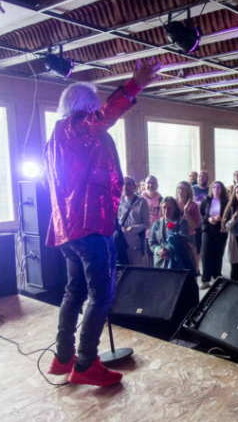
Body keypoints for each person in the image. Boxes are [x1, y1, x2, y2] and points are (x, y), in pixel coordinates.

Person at [45, 58, 160, 387]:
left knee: (74, 291)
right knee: (102, 294)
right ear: (85, 107)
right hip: (90, 224)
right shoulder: (79, 127)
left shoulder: (54, 139)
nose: (96, 109)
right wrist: (134, 84)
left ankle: (62, 356)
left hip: (66, 230)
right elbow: (105, 115)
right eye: (92, 104)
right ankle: (85, 363)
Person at [148, 197, 193, 270]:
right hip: (160, 262)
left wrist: (168, 250)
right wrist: (158, 250)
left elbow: (183, 240)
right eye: (164, 208)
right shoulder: (157, 223)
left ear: (175, 209)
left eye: (169, 208)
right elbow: (151, 242)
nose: (166, 211)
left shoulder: (182, 222)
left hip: (177, 263)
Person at [199, 181, 229, 289]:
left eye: (219, 187)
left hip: (220, 230)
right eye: (214, 187)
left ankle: (217, 277)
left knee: (218, 254)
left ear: (222, 189)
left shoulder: (226, 202)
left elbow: (228, 215)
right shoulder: (206, 200)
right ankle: (205, 279)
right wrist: (208, 219)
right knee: (206, 254)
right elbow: (201, 215)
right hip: (207, 229)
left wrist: (221, 219)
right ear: (211, 189)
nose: (216, 189)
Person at [117, 176, 150, 266]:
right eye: (123, 184)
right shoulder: (119, 201)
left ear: (134, 187)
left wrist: (133, 228)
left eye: (128, 184)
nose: (125, 187)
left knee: (136, 271)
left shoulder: (142, 202)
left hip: (136, 243)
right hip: (121, 242)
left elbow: (146, 224)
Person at [142, 175, 162, 266]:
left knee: (156, 258)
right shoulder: (139, 199)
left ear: (157, 185)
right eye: (148, 183)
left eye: (153, 183)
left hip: (156, 234)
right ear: (144, 184)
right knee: (144, 259)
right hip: (142, 233)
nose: (150, 185)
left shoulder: (161, 199)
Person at [175, 181, 202, 249]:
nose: (181, 191)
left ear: (188, 191)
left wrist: (186, 211)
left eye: (184, 189)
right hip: (174, 236)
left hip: (189, 237)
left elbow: (195, 225)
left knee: (189, 259)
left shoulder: (193, 205)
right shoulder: (172, 203)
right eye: (179, 188)